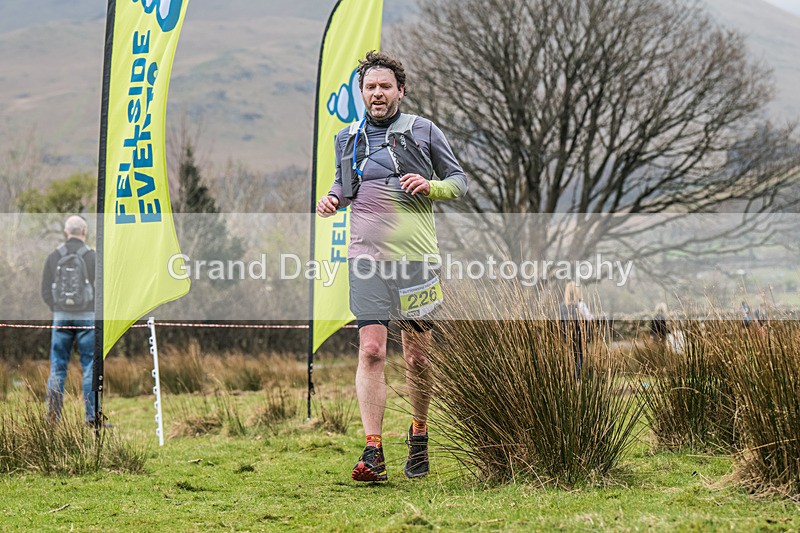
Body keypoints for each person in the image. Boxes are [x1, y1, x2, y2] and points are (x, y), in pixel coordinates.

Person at [316, 51, 468, 482]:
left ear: (400, 90)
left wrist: (430, 186)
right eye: (370, 87)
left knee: (418, 359)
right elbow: (342, 187)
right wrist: (332, 201)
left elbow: (458, 182)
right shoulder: (347, 137)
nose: (377, 93)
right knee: (371, 350)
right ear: (361, 93)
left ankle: (419, 434)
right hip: (365, 260)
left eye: (385, 87)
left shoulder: (423, 131)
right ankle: (373, 450)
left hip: (416, 260)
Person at [40, 215, 96, 425]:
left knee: (57, 367)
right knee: (90, 365)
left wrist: (57, 309)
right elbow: (101, 291)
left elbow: (45, 290)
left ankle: (53, 418)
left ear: (66, 232)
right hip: (87, 318)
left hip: (61, 317)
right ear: (84, 232)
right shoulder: (92, 257)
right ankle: (92, 417)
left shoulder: (53, 257)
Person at [559, 281, 593, 378]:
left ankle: (572, 376)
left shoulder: (562, 306)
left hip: (567, 334)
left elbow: (561, 321)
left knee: (572, 355)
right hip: (579, 334)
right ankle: (578, 376)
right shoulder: (580, 305)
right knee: (582, 354)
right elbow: (589, 318)